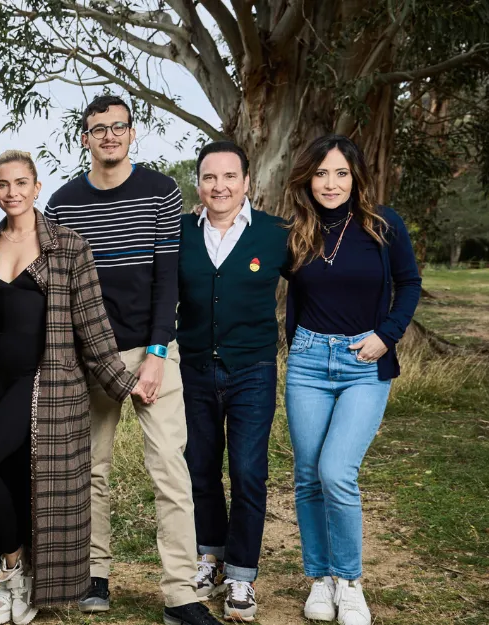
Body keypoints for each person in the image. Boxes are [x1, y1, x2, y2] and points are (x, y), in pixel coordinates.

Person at [0, 150, 147, 625]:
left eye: (21, 183)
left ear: (37, 187)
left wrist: (127, 384)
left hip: (47, 382)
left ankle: (15, 571)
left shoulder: (68, 246)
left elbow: (92, 324)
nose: (12, 192)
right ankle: (16, 585)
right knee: (13, 479)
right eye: (2, 184)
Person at [45, 94, 216, 625]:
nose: (110, 136)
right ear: (85, 138)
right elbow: (60, 287)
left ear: (132, 133)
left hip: (153, 351)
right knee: (89, 469)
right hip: (89, 355)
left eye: (119, 126)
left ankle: (181, 593)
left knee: (171, 468)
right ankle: (94, 574)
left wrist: (158, 352)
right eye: (99, 129)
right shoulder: (62, 204)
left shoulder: (162, 191)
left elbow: (169, 279)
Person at [283, 135, 420, 625]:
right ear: (307, 179)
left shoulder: (384, 225)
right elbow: (246, 258)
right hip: (306, 362)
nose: (330, 183)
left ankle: (350, 582)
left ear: (356, 177)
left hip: (365, 360)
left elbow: (410, 283)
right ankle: (319, 579)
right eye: (321, 174)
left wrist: (388, 335)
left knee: (336, 472)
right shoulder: (296, 230)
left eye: (340, 173)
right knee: (307, 477)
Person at [177, 141, 288, 622]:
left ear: (247, 182)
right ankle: (211, 556)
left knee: (246, 471)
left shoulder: (275, 234)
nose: (218, 186)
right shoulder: (181, 231)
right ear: (198, 184)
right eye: (208, 177)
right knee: (200, 466)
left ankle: (241, 574)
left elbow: (314, 286)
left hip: (253, 370)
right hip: (196, 367)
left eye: (229, 177)